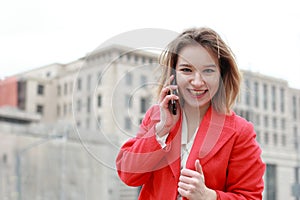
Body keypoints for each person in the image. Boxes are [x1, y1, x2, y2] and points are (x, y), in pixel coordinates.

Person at [116, 27, 265, 200]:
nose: (197, 82)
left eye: (208, 71)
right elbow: (128, 175)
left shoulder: (240, 131)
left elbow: (250, 196)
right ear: (173, 74)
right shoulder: (157, 116)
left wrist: (209, 196)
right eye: (187, 70)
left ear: (221, 75)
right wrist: (161, 130)